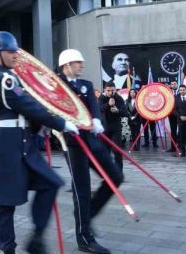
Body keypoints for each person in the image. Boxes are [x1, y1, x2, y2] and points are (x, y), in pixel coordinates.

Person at [0, 32, 78, 254]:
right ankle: (8, 248)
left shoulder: (5, 77)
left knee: (50, 182)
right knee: (4, 203)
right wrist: (62, 123)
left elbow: (29, 106)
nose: (15, 57)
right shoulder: (3, 79)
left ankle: (36, 240)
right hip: (3, 148)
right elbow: (29, 106)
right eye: (11, 52)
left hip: (19, 144)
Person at [58, 48, 121, 254]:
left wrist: (95, 119)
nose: (82, 65)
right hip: (73, 142)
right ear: (66, 65)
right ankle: (84, 238)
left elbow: (92, 104)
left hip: (91, 140)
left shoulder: (85, 84)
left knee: (115, 176)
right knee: (81, 189)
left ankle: (89, 213)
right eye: (78, 62)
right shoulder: (56, 84)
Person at [98, 82, 128, 171]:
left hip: (116, 128)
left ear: (115, 89)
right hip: (104, 128)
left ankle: (119, 171)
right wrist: (108, 104)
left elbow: (125, 112)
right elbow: (99, 109)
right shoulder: (102, 98)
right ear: (105, 90)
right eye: (108, 90)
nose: (111, 92)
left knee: (117, 150)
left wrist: (118, 111)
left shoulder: (119, 98)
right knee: (105, 151)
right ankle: (107, 172)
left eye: (112, 90)